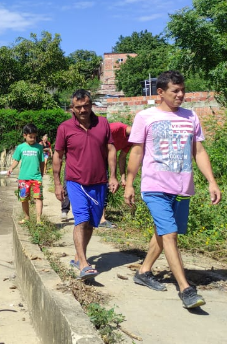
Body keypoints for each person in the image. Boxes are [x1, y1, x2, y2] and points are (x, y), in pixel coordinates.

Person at [124, 70, 221, 309]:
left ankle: (144, 271)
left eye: (182, 90)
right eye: (174, 91)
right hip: (155, 185)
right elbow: (136, 152)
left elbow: (198, 151)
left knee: (164, 230)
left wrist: (211, 181)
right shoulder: (145, 117)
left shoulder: (190, 117)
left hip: (182, 187)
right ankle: (186, 289)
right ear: (160, 92)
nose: (180, 95)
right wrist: (129, 183)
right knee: (170, 234)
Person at [52, 89, 118, 280]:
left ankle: (78, 256)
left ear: (91, 105)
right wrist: (57, 183)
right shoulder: (65, 127)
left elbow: (111, 149)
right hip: (75, 181)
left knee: (90, 224)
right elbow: (58, 156)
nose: (82, 110)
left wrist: (113, 176)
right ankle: (83, 263)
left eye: (86, 106)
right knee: (81, 219)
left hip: (99, 181)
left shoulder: (103, 123)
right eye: (78, 107)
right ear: (72, 107)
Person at [7, 123, 45, 225]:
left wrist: (42, 173)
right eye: (30, 137)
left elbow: (42, 162)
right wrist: (11, 168)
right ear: (24, 135)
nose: (33, 139)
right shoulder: (20, 147)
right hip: (23, 178)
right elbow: (16, 160)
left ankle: (38, 220)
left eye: (34, 137)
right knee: (24, 199)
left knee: (38, 198)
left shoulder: (39, 147)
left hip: (37, 177)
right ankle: (26, 217)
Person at [99, 122, 133, 228]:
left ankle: (101, 219)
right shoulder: (116, 127)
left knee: (105, 186)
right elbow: (98, 137)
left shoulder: (132, 140)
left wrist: (123, 177)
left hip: (107, 159)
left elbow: (122, 158)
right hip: (95, 154)